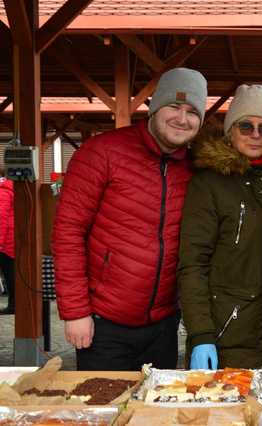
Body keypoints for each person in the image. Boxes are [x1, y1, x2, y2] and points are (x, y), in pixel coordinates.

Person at [52, 67, 206, 371]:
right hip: (104, 323)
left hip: (163, 325)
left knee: (154, 412)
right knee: (105, 410)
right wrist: (75, 311)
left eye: (192, 111)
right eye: (174, 106)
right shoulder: (102, 153)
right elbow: (68, 233)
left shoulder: (196, 169)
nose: (182, 118)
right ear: (154, 108)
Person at [178, 84, 262, 370]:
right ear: (230, 131)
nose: (256, 135)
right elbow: (193, 263)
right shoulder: (209, 183)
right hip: (227, 333)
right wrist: (201, 333)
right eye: (246, 126)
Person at [0, 171, 14, 315]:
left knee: (10, 275)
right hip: (10, 241)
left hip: (5, 243)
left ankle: (13, 305)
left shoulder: (3, 192)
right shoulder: (9, 189)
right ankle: (13, 304)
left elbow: (1, 218)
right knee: (10, 274)